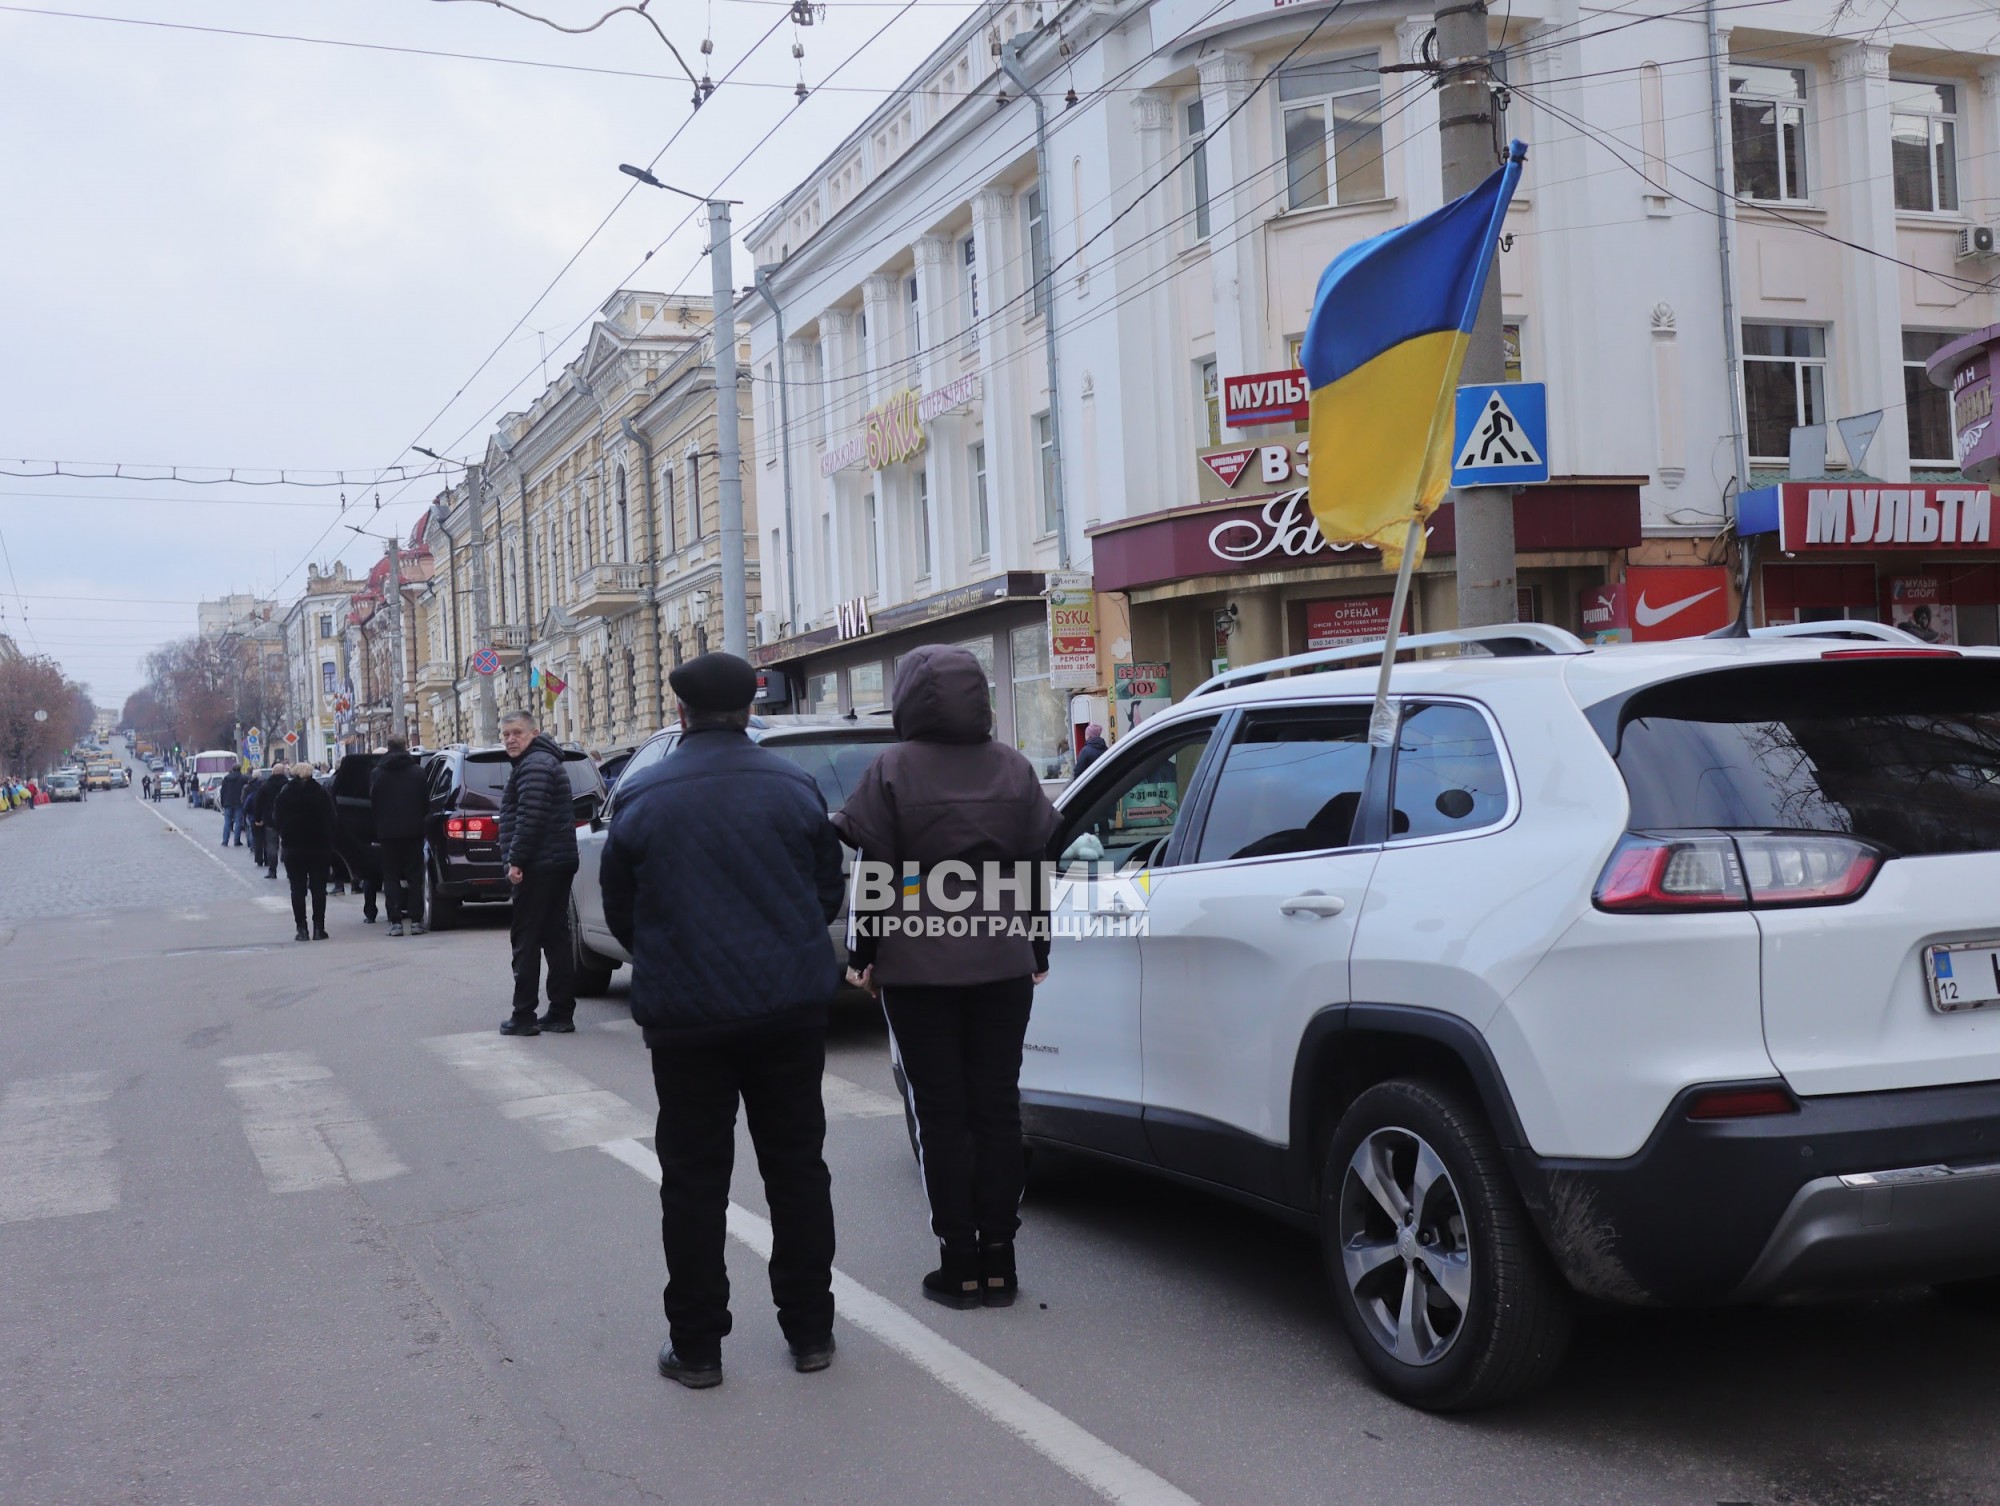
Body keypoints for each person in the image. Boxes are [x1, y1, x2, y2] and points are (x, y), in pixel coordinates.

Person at [600, 652, 845, 1388]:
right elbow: (826, 893)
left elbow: (621, 912)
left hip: (688, 1020)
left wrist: (672, 956)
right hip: (789, 1011)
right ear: (749, 711)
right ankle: (811, 1332)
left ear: (681, 714)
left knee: (693, 1180)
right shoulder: (793, 786)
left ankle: (698, 1346)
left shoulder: (642, 793)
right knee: (797, 1168)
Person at [832, 644, 1060, 1311]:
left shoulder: (891, 768)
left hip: (917, 966)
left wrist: (863, 954)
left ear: (905, 699)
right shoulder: (1013, 766)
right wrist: (1038, 948)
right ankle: (1001, 1262)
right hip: (1002, 961)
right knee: (997, 1108)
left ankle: (959, 1264)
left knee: (940, 1114)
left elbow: (875, 874)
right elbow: (1034, 867)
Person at [497, 711, 579, 1036]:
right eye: (506, 734)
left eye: (517, 733)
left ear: (534, 733)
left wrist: (516, 860)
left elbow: (530, 818)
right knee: (554, 936)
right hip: (554, 861)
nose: (511, 739)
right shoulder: (540, 761)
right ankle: (560, 1012)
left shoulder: (534, 765)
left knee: (526, 939)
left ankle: (524, 1015)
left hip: (539, 865)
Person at [370, 736, 429, 937]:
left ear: (388, 748)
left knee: (391, 877)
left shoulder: (377, 773)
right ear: (406, 747)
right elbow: (425, 802)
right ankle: (416, 921)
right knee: (415, 876)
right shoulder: (418, 772)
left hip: (387, 833)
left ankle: (395, 922)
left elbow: (373, 803)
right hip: (414, 832)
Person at [273, 762, 335, 941]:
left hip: (293, 847)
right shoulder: (321, 793)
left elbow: (276, 819)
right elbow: (332, 817)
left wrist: (285, 832)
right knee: (319, 888)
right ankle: (319, 928)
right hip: (319, 846)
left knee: (297, 889)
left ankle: (301, 929)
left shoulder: (285, 795)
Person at [253, 768, 284, 879]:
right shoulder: (288, 785)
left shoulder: (266, 786)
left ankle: (272, 870)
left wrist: (257, 818)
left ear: (273, 772)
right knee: (287, 844)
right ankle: (290, 871)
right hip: (286, 820)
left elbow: (258, 803)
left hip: (270, 819)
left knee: (271, 845)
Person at [219, 764, 247, 846]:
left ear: (232, 769)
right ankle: (236, 840)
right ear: (240, 769)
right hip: (238, 802)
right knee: (238, 822)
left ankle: (225, 841)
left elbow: (222, 791)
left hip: (228, 802)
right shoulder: (243, 778)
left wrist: (222, 802)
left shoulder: (226, 778)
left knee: (227, 822)